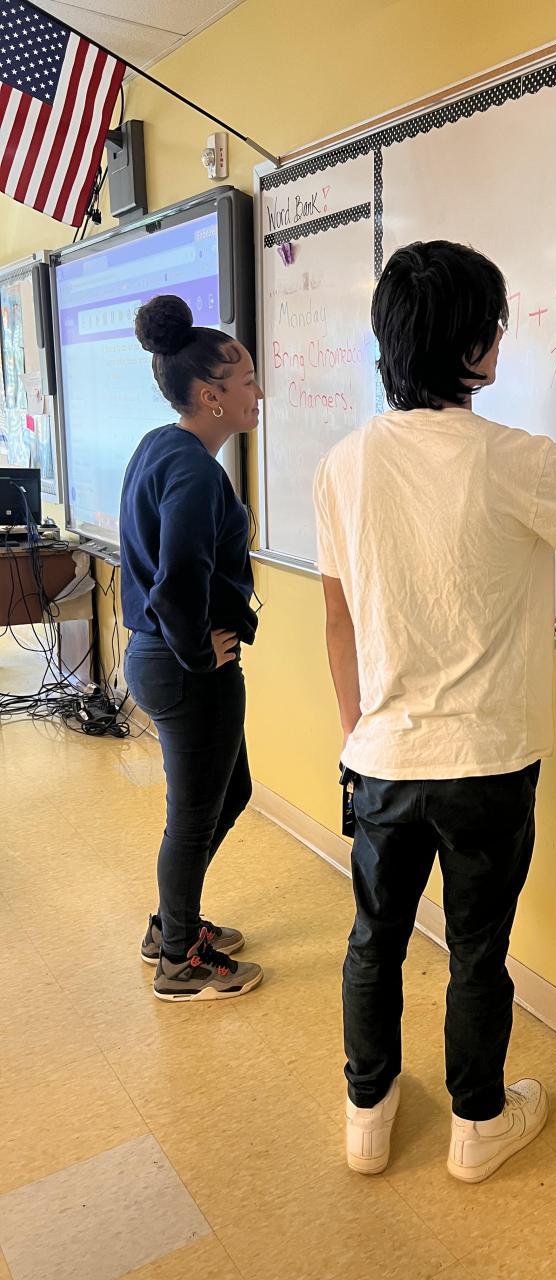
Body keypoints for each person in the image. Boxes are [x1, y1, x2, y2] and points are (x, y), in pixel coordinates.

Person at [315, 240, 556, 1182]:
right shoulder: (517, 460)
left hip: (381, 756)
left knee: (372, 942)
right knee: (477, 951)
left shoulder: (343, 463)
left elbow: (338, 621)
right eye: (495, 325)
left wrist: (359, 734)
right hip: (489, 762)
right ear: (473, 346)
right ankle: (476, 1127)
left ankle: (367, 1114)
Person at [120, 295, 264, 1003]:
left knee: (228, 792)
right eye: (247, 382)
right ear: (211, 396)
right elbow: (178, 577)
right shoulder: (195, 471)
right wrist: (199, 652)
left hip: (158, 658)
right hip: (185, 669)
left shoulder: (162, 444)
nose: (258, 393)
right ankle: (178, 959)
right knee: (193, 816)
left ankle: (170, 924)